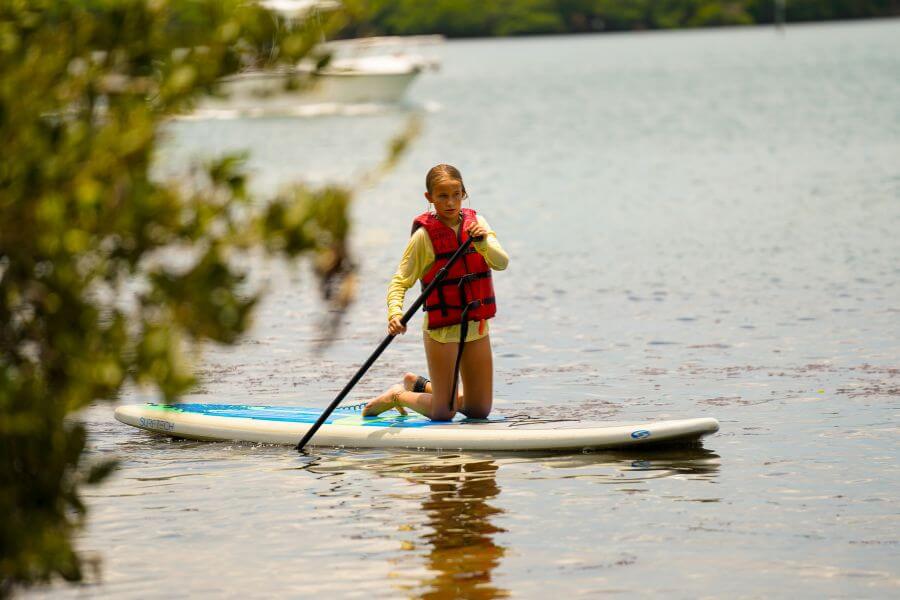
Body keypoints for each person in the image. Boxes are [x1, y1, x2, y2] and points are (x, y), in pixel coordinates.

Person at [362, 164, 509, 420]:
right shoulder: (424, 237)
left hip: (476, 325)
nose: (451, 202)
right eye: (442, 196)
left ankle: (420, 385)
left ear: (464, 193)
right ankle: (398, 395)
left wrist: (483, 242)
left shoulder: (479, 224)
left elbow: (501, 262)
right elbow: (400, 281)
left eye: (456, 194)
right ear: (429, 198)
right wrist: (394, 314)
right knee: (444, 413)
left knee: (479, 410)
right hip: (442, 330)